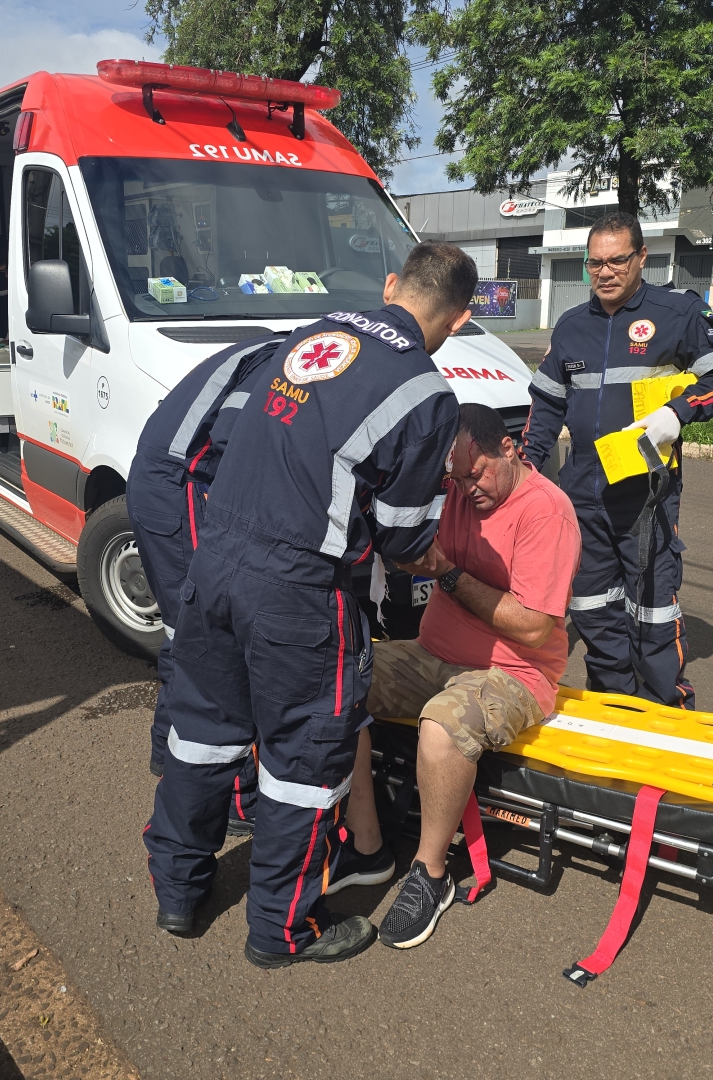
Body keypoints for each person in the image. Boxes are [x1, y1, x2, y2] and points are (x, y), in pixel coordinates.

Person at [143, 241, 477, 967]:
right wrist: (442, 560)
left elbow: (242, 435)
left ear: (392, 286)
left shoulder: (313, 333)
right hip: (297, 592)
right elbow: (399, 534)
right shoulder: (426, 395)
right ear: (456, 319)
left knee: (202, 735)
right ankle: (281, 930)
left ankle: (177, 889)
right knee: (304, 764)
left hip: (217, 556)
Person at [356, 403, 580, 948]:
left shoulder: (546, 511)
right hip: (433, 654)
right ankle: (362, 841)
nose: (465, 488)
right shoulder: (459, 490)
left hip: (515, 674)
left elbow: (531, 629)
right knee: (339, 675)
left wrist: (447, 574)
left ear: (510, 448)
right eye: (454, 477)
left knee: (442, 724)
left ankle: (431, 875)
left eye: (474, 473)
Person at [521, 212, 713, 709]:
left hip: (647, 491)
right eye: (594, 263)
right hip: (582, 490)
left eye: (617, 260)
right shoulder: (573, 326)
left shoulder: (676, 313)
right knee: (590, 606)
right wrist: (526, 471)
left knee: (651, 611)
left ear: (641, 257)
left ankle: (662, 707)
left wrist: (678, 413)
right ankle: (613, 703)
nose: (605, 272)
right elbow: (545, 408)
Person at [127, 332, 289, 828]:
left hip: (163, 478)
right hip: (182, 487)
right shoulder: (282, 366)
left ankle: (167, 751)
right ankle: (237, 797)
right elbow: (235, 441)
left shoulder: (272, 347)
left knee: (183, 633)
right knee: (214, 643)